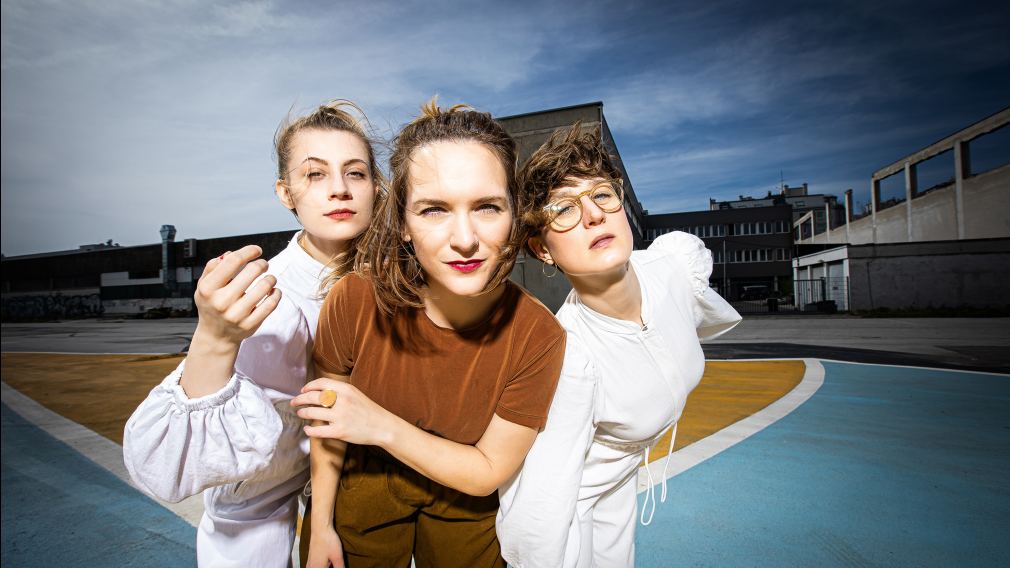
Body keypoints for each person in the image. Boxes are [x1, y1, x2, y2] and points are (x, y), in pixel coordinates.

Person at [289, 101, 566, 568]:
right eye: (434, 209)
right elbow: (327, 426)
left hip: (465, 497)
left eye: (487, 207)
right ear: (402, 223)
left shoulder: (538, 335)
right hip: (363, 485)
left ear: (515, 215)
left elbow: (487, 471)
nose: (465, 239)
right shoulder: (354, 299)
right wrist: (320, 529)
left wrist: (379, 425)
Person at [123, 100, 382, 567]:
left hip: (363, 480)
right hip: (258, 495)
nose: (339, 189)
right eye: (315, 174)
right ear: (286, 193)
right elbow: (165, 473)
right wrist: (214, 339)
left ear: (376, 187)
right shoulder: (265, 296)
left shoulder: (397, 280)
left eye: (356, 173)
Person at [496, 125, 742, 567]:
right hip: (575, 501)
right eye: (564, 209)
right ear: (542, 249)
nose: (593, 214)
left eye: (602, 195)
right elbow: (541, 503)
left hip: (624, 478)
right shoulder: (570, 360)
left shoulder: (673, 265)